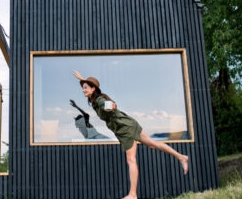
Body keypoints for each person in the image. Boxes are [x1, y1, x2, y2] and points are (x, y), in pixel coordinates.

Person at [73, 70, 189, 199]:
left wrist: (111, 106)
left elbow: (110, 105)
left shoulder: (99, 100)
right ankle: (181, 157)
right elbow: (92, 89)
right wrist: (82, 79)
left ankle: (133, 194)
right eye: (83, 88)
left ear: (93, 88)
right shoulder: (94, 99)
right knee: (152, 144)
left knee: (131, 160)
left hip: (125, 128)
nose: (83, 90)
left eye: (85, 88)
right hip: (128, 124)